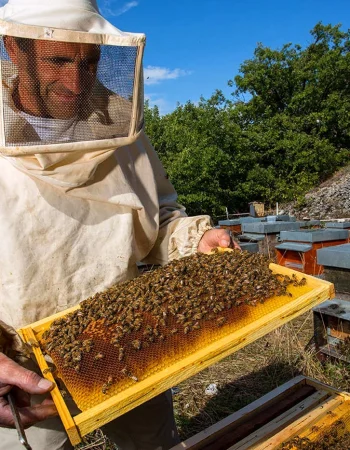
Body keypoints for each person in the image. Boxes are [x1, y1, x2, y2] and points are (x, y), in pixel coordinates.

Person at [0, 1, 237, 449]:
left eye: (88, 62)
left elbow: (159, 216)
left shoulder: (120, 125)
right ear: (15, 48)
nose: (76, 81)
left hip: (131, 337)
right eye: (58, 59)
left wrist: (195, 238)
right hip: (20, 365)